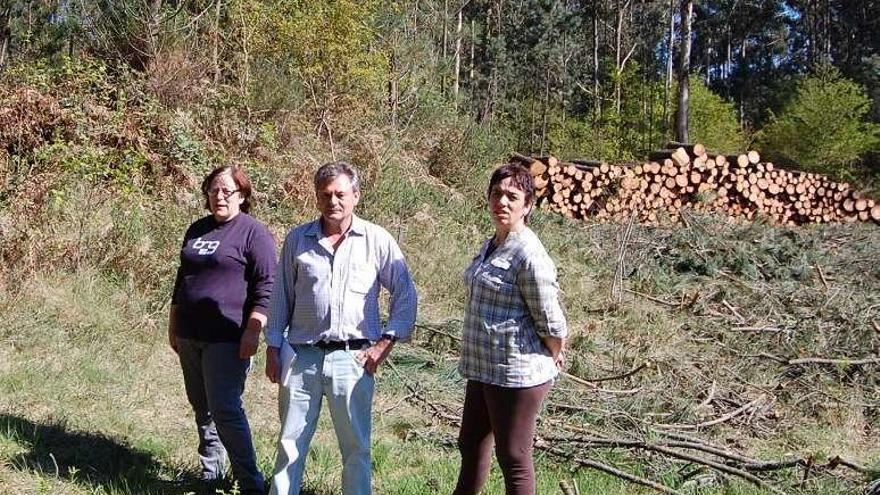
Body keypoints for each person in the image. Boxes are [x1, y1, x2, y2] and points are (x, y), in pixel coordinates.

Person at [264, 161, 418, 495]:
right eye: (326, 194)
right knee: (290, 444)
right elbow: (280, 298)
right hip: (301, 357)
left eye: (340, 194)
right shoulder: (298, 239)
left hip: (353, 359)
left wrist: (385, 343)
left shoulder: (376, 240)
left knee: (356, 449)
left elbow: (405, 293)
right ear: (317, 199)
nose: (333, 201)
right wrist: (273, 347)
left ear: (356, 196)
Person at [453, 163, 568, 495]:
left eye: (512, 196)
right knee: (471, 443)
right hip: (484, 368)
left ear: (528, 205)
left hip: (515, 372)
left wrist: (554, 352)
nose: (502, 202)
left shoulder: (529, 254)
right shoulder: (492, 244)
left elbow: (550, 317)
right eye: (496, 194)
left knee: (513, 456)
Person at [169, 165, 276, 495]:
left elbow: (266, 285)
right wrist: (173, 323)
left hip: (228, 337)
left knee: (225, 409)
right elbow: (182, 279)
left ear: (242, 196)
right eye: (213, 190)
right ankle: (211, 474)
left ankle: (250, 483)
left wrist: (253, 329)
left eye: (227, 191)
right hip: (190, 333)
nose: (219, 196)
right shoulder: (197, 229)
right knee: (202, 406)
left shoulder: (253, 232)